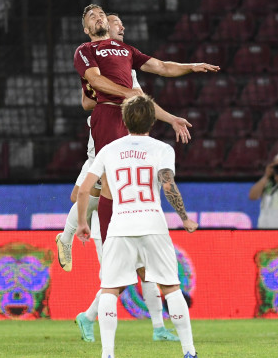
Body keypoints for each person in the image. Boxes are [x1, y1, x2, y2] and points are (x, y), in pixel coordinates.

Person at [55, 13, 188, 342]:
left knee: (136, 270)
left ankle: (154, 327)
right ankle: (67, 236)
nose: (121, 30)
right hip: (102, 149)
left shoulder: (126, 69)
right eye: (115, 24)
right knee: (92, 191)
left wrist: (170, 118)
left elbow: (135, 99)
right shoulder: (93, 56)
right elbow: (90, 97)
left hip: (126, 179)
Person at [75, 95, 199, 358]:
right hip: (153, 223)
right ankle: (189, 351)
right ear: (152, 121)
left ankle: (107, 354)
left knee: (109, 289)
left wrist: (83, 223)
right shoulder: (162, 149)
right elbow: (168, 185)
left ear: (124, 119)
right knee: (171, 287)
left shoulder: (109, 149)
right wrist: (185, 218)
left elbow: (85, 189)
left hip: (121, 226)